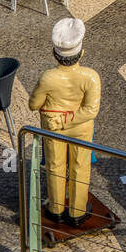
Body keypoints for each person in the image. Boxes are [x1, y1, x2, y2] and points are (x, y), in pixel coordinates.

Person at [29, 18, 102, 228]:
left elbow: (33, 105)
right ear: (81, 53)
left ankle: (56, 209)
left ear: (55, 53)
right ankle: (78, 212)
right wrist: (70, 118)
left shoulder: (48, 77)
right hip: (81, 129)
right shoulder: (91, 77)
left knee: (55, 166)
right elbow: (91, 110)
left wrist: (58, 118)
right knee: (81, 167)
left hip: (53, 129)